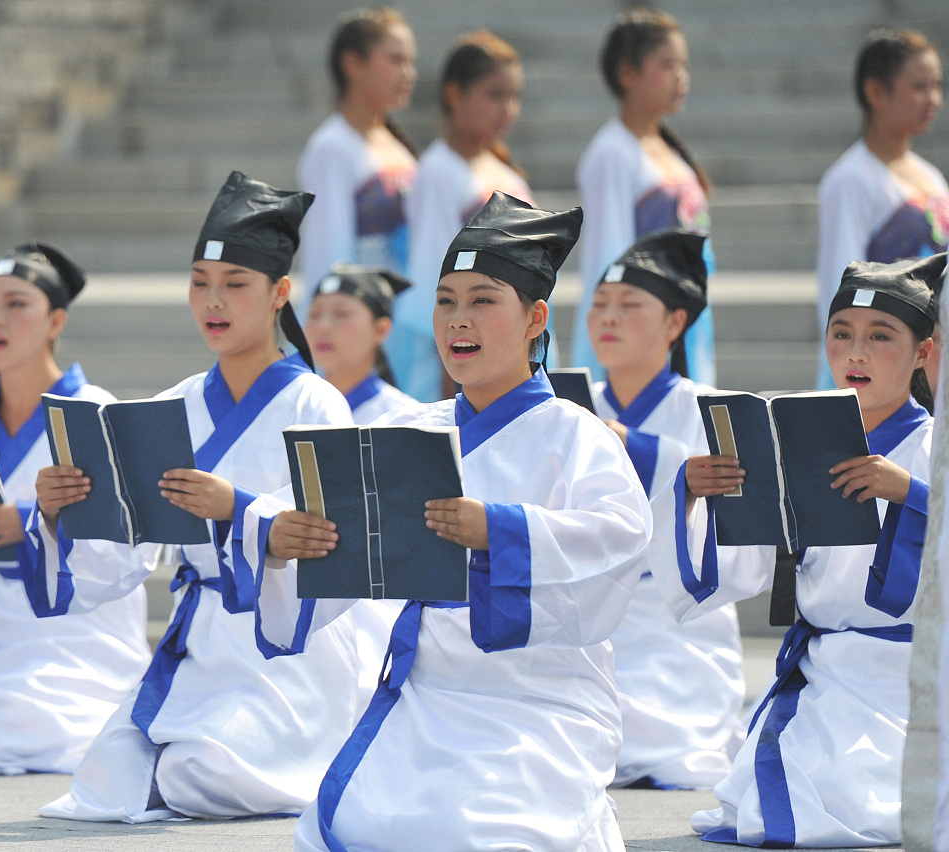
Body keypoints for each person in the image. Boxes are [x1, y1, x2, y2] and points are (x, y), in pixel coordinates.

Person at [243, 192, 652, 850]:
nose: (458, 319)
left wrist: (500, 530)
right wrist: (280, 539)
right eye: (445, 301)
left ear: (535, 318)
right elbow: (324, 530)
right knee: (363, 825)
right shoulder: (408, 430)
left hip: (536, 699)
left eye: (483, 300)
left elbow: (620, 539)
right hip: (426, 693)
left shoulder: (576, 434)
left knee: (472, 830)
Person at [29, 171, 378, 823]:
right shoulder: (176, 403)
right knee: (105, 774)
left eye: (235, 284)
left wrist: (239, 509)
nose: (213, 302)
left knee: (200, 772)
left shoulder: (317, 402)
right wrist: (60, 510)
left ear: (279, 293)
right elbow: (124, 554)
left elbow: (337, 540)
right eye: (199, 283)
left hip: (283, 652)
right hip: (201, 642)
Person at [656, 252, 946, 846]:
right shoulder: (796, 439)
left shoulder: (935, 443)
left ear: (923, 352)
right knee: (777, 798)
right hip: (827, 668)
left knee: (854, 800)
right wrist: (694, 492)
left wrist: (914, 494)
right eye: (841, 334)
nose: (856, 353)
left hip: (915, 672)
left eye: (880, 336)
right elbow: (745, 564)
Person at [0, 241, 150, 776]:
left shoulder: (96, 412)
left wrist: (35, 521)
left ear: (56, 321)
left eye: (16, 304)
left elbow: (132, 542)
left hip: (65, 636)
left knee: (17, 731)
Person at [586, 229, 744, 789]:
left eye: (630, 305)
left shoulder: (712, 411)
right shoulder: (571, 408)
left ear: (675, 323)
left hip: (677, 626)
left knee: (663, 747)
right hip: (588, 613)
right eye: (600, 304)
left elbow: (737, 543)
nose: (609, 317)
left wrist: (633, 447)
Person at [574, 8, 716, 387]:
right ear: (627, 73)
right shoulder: (612, 154)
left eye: (684, 65)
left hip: (683, 318)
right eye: (667, 65)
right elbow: (609, 259)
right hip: (643, 328)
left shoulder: (668, 150)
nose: (681, 77)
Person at [399, 29, 543, 401]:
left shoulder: (507, 173)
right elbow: (435, 276)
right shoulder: (437, 172)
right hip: (465, 355)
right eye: (495, 95)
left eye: (514, 96)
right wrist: (454, 378)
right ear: (454, 94)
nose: (508, 108)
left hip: (515, 344)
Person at [817, 28, 946, 389]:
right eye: (919, 86)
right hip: (881, 375)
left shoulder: (932, 177)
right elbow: (840, 289)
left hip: (931, 362)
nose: (934, 98)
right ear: (875, 92)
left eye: (937, 85)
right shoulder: (850, 179)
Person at [297, 7, 417, 320]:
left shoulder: (398, 147)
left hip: (404, 314)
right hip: (363, 319)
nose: (408, 73)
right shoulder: (331, 148)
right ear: (352, 64)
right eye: (396, 60)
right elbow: (329, 257)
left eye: (411, 61)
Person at [306, 263, 417, 423]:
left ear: (380, 329)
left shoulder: (404, 418)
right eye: (315, 314)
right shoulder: (295, 408)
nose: (323, 327)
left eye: (341, 314)